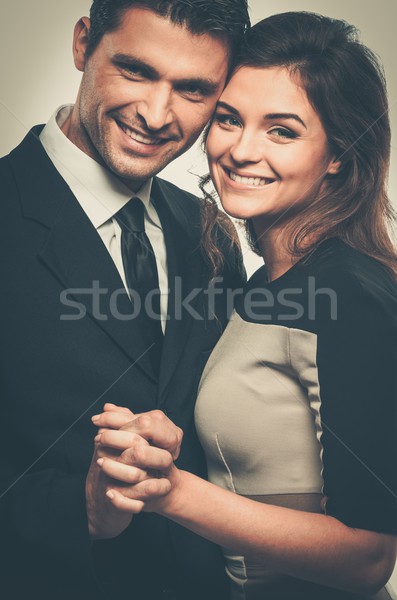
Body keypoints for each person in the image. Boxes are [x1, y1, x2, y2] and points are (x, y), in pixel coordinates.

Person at [92, 11, 397, 600]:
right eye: (229, 120)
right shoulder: (257, 283)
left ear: (338, 153)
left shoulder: (351, 296)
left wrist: (173, 492)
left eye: (281, 130)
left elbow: (370, 556)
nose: (240, 150)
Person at [0, 1, 251, 598]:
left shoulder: (209, 229)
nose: (155, 114)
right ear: (84, 44)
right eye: (136, 70)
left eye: (193, 89)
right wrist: (81, 507)